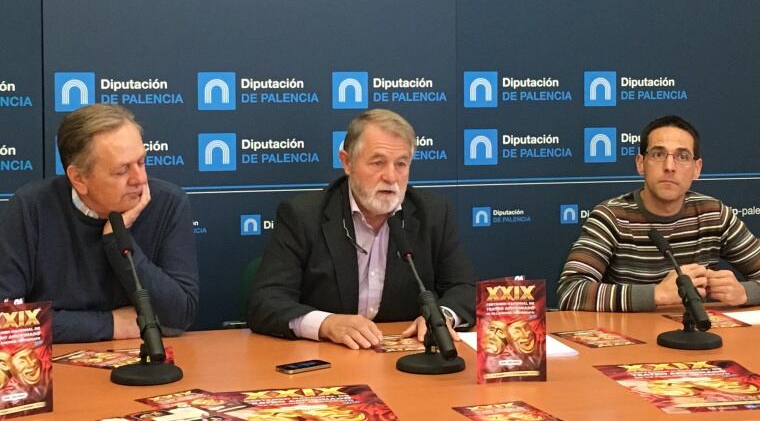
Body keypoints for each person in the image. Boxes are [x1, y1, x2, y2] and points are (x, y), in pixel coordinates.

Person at [247, 109, 475, 349]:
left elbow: (465, 288)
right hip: (329, 361)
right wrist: (326, 324)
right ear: (347, 162)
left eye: (401, 164)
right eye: (378, 163)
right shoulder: (304, 215)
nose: (391, 177)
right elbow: (265, 301)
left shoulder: (433, 214)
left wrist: (442, 317)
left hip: (405, 362)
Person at [0, 104, 199, 342]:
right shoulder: (30, 209)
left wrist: (117, 240)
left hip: (140, 362)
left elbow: (179, 316)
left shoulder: (168, 203)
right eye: (122, 170)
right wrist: (111, 324)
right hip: (55, 369)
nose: (140, 179)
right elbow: (6, 322)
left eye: (142, 162)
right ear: (79, 179)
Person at [558, 114, 760, 312]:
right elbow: (571, 291)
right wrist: (656, 294)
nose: (670, 166)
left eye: (682, 156)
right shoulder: (612, 216)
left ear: (697, 169)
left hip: (696, 340)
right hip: (633, 343)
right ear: (641, 164)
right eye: (658, 154)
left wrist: (745, 293)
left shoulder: (713, 215)